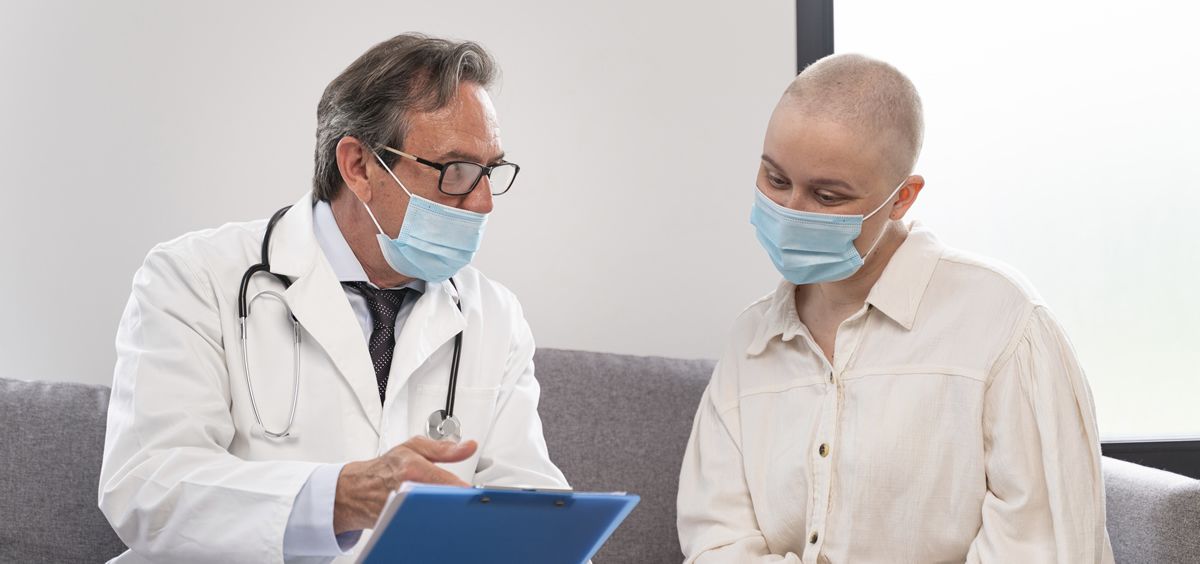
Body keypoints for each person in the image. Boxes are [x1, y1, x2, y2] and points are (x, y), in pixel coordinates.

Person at [99, 33, 569, 563]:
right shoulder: (195, 277)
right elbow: (147, 486)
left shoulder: (494, 315)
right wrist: (339, 499)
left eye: (490, 171)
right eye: (455, 171)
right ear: (359, 166)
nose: (483, 203)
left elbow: (529, 499)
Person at [676, 53, 1114, 563]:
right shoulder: (750, 342)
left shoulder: (1004, 325)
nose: (791, 211)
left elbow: (1044, 548)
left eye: (827, 196)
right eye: (775, 180)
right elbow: (716, 543)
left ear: (902, 197)